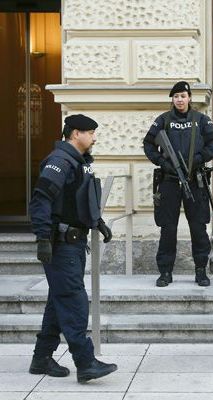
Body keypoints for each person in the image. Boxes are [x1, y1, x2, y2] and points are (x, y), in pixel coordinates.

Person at [29, 114, 117, 383]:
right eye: (90, 133)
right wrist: (43, 238)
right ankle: (86, 362)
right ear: (75, 133)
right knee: (74, 302)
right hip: (61, 245)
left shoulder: (80, 162)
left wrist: (97, 222)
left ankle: (41, 358)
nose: (94, 137)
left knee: (59, 300)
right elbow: (40, 200)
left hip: (74, 243)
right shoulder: (60, 161)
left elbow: (78, 199)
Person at [143, 81, 213, 287]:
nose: (179, 100)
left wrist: (200, 158)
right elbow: (148, 144)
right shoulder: (163, 120)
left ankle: (200, 270)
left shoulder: (201, 120)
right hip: (169, 181)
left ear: (189, 98)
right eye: (176, 96)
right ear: (172, 99)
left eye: (183, 96)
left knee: (198, 227)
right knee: (168, 228)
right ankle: (166, 272)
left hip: (195, 180)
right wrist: (162, 162)